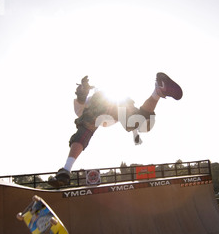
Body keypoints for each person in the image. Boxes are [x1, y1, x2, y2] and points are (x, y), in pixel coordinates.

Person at [48, 72, 183, 188]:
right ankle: (159, 90)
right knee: (141, 123)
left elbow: (82, 105)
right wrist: (83, 91)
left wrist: (82, 92)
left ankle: (66, 170)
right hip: (120, 102)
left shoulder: (87, 106)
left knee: (85, 130)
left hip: (105, 100)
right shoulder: (90, 108)